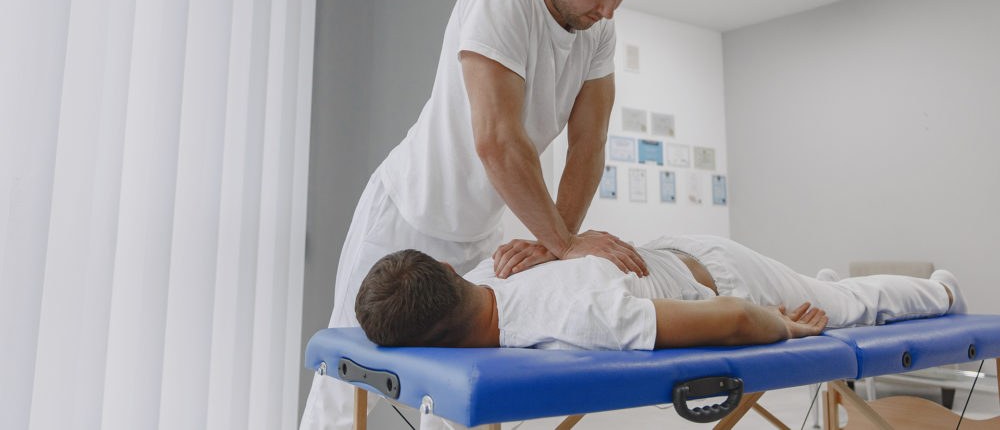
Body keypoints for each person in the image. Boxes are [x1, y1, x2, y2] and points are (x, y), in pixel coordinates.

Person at [301, 0, 655, 429]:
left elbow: (589, 145)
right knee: (347, 383)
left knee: (465, 398)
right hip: (406, 216)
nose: (609, 10)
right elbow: (497, 139)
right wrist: (563, 243)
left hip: (478, 237)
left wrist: (556, 245)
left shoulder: (598, 32)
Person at [356, 235, 966, 351]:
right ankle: (816, 289)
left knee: (850, 310)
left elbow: (735, 323)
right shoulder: (485, 278)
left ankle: (940, 291)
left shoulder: (578, 317)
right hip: (676, 261)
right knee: (817, 296)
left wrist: (787, 327)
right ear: (445, 268)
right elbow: (734, 321)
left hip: (725, 276)